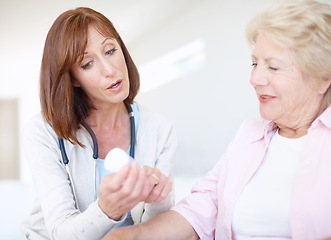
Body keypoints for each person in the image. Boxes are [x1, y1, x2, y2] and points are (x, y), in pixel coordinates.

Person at [103, 0, 331, 239]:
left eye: (273, 67)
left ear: (322, 79)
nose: (255, 78)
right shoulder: (250, 135)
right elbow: (202, 208)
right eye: (255, 63)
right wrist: (133, 236)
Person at [20, 7, 177, 240]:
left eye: (111, 50)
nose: (109, 69)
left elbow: (155, 228)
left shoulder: (159, 130)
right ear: (72, 78)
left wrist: (160, 197)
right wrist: (107, 210)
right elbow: (60, 232)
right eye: (87, 64)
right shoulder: (43, 131)